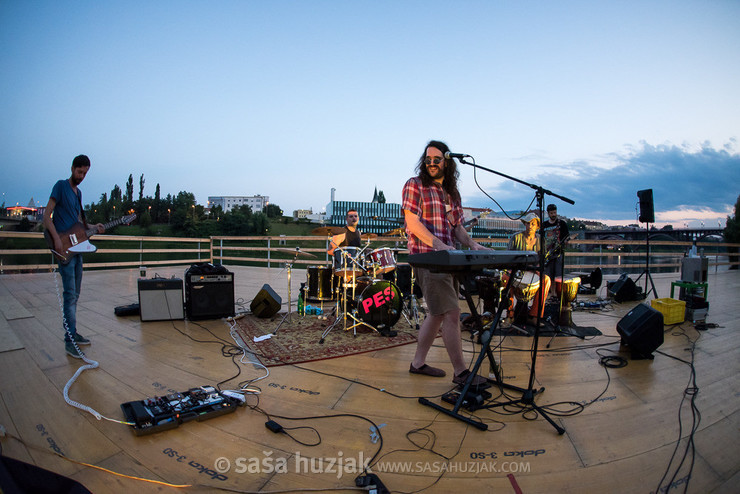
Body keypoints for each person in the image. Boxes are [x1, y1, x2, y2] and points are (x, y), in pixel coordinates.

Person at [402, 140, 489, 386]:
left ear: (446, 162)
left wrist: (472, 244)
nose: (431, 163)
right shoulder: (415, 185)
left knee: (438, 314)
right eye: (427, 159)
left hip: (449, 259)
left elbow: (457, 227)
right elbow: (412, 223)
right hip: (428, 259)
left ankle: (417, 363)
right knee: (452, 312)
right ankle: (461, 373)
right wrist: (438, 245)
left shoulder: (451, 193)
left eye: (436, 159)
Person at [43, 155, 104, 358]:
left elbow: (80, 224)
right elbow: (46, 216)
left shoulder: (79, 194)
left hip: (78, 248)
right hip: (64, 249)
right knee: (69, 295)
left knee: (75, 293)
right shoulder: (60, 186)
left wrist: (95, 227)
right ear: (72, 168)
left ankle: (73, 332)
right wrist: (57, 241)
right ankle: (69, 340)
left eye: (85, 173)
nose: (82, 176)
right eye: (80, 172)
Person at [507, 212, 551, 323]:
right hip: (517, 270)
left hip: (533, 270)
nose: (530, 226)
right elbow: (508, 257)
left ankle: (535, 315)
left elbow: (542, 260)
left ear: (537, 226)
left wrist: (537, 268)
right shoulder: (516, 238)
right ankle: (510, 314)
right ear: (524, 224)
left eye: (533, 224)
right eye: (527, 223)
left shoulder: (541, 240)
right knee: (505, 279)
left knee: (546, 280)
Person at [543, 203, 570, 294]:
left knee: (558, 275)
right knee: (548, 275)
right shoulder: (544, 225)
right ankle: (549, 294)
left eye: (555, 212)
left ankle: (557, 294)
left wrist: (566, 242)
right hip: (547, 254)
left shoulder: (562, 224)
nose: (553, 215)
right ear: (548, 213)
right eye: (551, 213)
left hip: (558, 253)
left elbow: (567, 237)